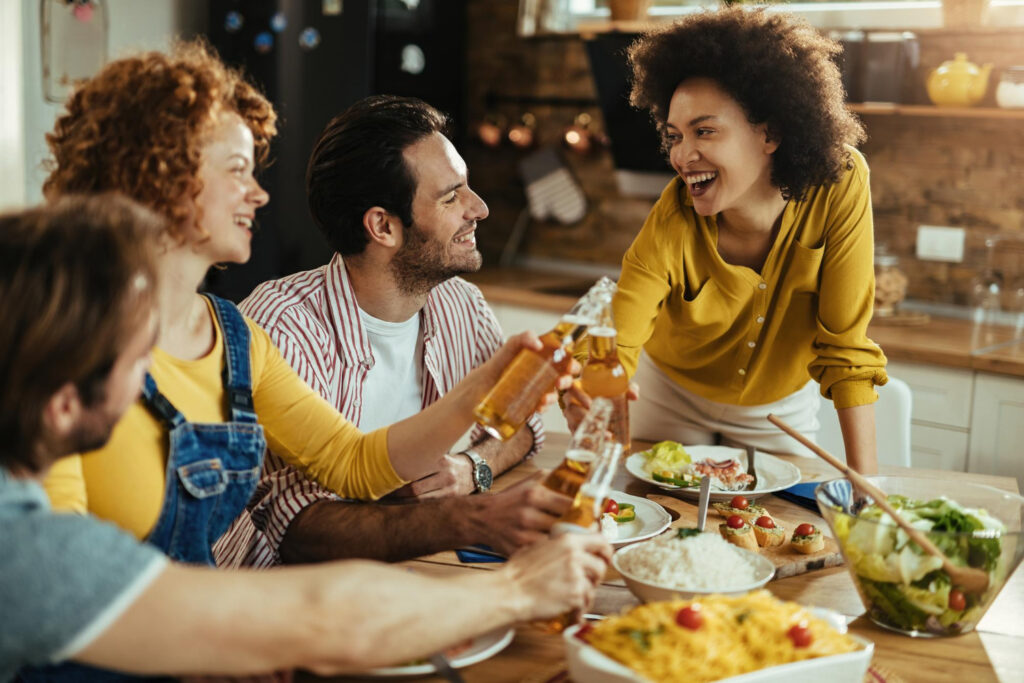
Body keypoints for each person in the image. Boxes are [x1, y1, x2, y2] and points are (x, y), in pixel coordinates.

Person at [0, 195, 612, 682]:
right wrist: (517, 589)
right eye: (138, 360)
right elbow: (328, 613)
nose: (155, 371)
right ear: (62, 405)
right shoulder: (28, 554)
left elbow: (350, 461)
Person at [40, 40, 570, 569]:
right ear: (160, 182)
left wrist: (490, 384)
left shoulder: (232, 336)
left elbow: (353, 462)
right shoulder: (66, 355)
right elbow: (69, 591)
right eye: (235, 171)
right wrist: (469, 522)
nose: (259, 194)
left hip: (250, 615)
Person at [215, 96, 564, 568]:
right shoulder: (283, 327)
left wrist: (472, 468)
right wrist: (467, 519)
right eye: (451, 196)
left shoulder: (461, 303)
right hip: (310, 601)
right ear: (382, 226)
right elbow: (296, 531)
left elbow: (521, 426)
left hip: (429, 572)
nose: (478, 208)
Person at [562, 8, 887, 473]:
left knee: (775, 530)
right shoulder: (674, 217)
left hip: (775, 411)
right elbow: (618, 339)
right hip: (669, 395)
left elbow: (847, 347)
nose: (682, 155)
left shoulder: (840, 182)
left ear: (770, 132)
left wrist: (866, 487)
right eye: (674, 135)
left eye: (705, 131)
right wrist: (582, 390)